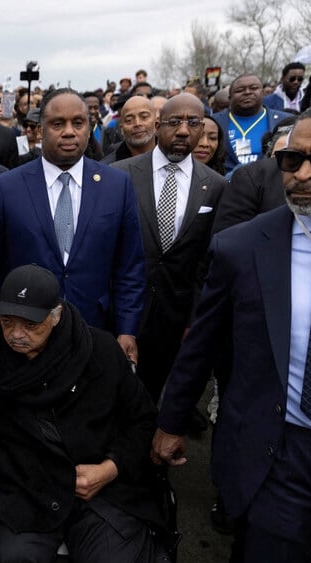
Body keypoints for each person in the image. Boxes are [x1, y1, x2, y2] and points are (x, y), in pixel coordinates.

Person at [153, 96, 311, 563]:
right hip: (283, 450)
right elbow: (203, 341)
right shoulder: (244, 246)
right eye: (291, 161)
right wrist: (170, 422)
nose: (303, 173)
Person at [0, 264, 160, 563]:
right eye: (8, 322)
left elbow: (142, 422)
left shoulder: (99, 351)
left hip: (100, 494)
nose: (16, 335)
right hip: (26, 488)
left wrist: (109, 468)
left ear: (56, 316)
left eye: (31, 325)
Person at [0, 88, 145, 362]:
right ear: (40, 129)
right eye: (58, 124)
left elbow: (130, 267)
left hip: (97, 332)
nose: (69, 132)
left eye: (78, 123)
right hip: (25, 338)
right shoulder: (5, 188)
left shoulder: (117, 185)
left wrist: (127, 329)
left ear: (90, 127)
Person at [111, 94, 226, 403]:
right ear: (159, 126)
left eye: (193, 123)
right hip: (121, 310)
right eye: (175, 122)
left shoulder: (216, 186)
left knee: (157, 397)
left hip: (176, 316)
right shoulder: (118, 174)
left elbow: (209, 261)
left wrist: (194, 319)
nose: (184, 131)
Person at [213, 74, 287, 173]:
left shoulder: (284, 120)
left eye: (254, 88)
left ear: (263, 93)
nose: (247, 92)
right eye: (240, 90)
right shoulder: (214, 122)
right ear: (230, 97)